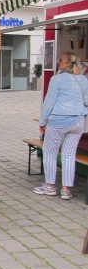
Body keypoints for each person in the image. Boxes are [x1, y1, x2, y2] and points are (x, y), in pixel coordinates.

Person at [33, 52, 88, 200]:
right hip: (78, 121)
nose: (58, 62)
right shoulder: (83, 79)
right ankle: (65, 190)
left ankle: (50, 186)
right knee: (69, 154)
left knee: (49, 152)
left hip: (58, 121)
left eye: (61, 60)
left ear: (68, 63)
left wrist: (42, 122)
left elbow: (48, 103)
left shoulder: (56, 80)